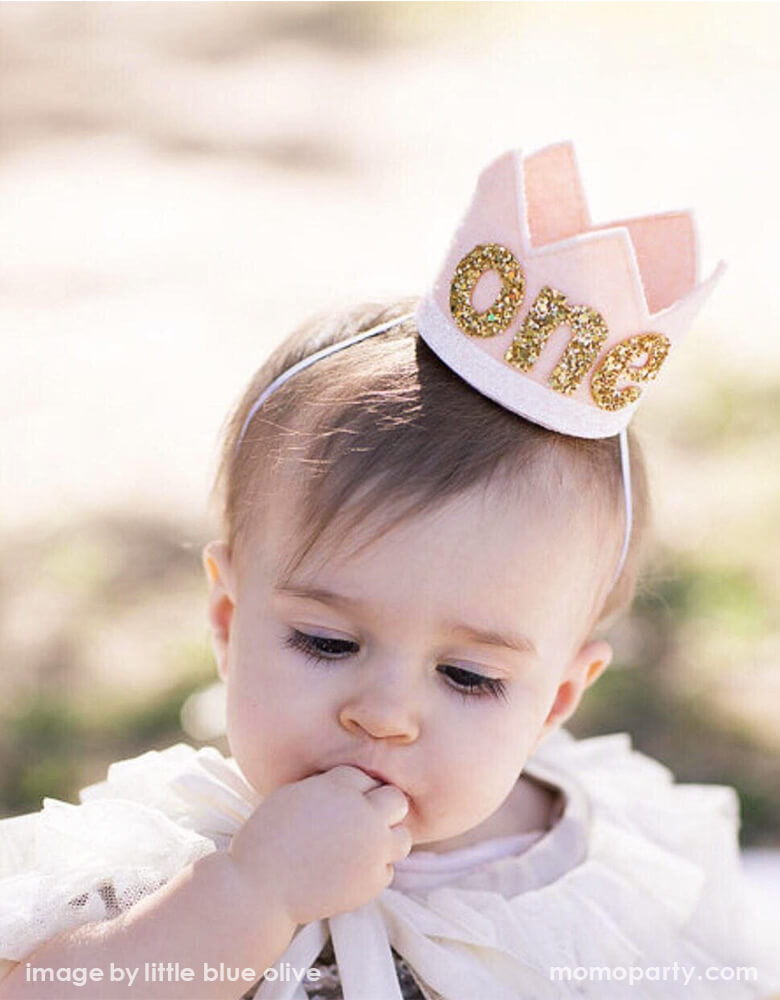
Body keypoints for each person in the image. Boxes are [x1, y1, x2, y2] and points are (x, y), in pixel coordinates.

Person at [0, 141, 776, 1000]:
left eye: (470, 675)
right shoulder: (179, 858)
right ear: (227, 622)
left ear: (558, 696)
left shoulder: (608, 880)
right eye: (327, 642)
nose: (384, 715)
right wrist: (250, 896)